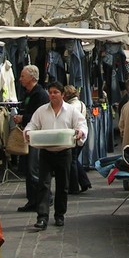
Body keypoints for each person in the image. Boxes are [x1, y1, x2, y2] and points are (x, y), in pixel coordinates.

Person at [24, 81, 88, 230]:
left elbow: (81, 124)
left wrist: (80, 132)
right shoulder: (41, 111)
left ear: (62, 94)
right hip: (46, 152)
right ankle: (42, 217)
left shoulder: (71, 111)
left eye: (55, 92)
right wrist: (27, 132)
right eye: (50, 92)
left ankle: (59, 215)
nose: (52, 95)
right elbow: (32, 125)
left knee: (62, 186)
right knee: (43, 184)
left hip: (64, 152)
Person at [14, 65, 50, 212]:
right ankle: (33, 200)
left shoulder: (40, 94)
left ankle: (43, 200)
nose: (20, 79)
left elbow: (39, 117)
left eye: (23, 76)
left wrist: (23, 118)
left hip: (37, 137)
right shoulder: (29, 93)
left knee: (34, 169)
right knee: (29, 170)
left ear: (32, 77)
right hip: (29, 135)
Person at [63, 85, 92, 194]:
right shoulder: (81, 103)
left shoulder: (70, 107)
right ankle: (84, 182)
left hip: (74, 135)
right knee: (74, 160)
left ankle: (74, 186)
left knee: (72, 161)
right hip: (81, 135)